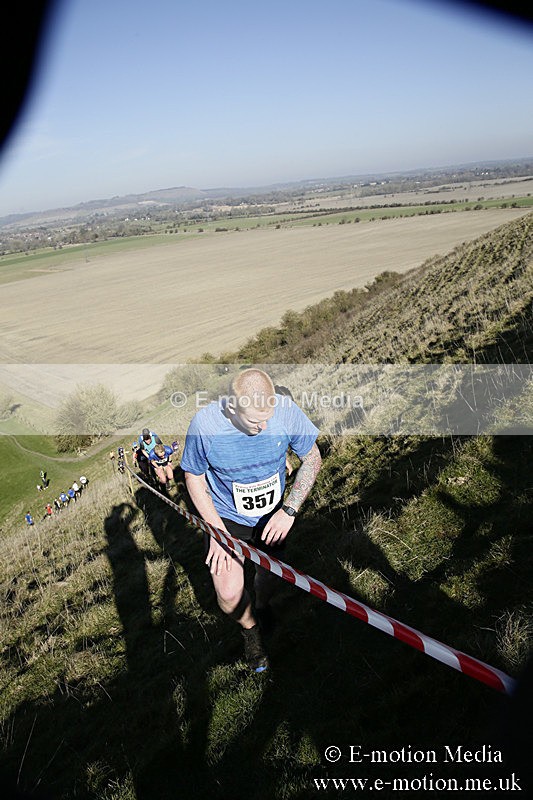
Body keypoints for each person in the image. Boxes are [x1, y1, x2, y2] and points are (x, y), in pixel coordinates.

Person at [181, 368, 321, 672]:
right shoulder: (205, 425)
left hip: (273, 517)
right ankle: (250, 632)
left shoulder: (284, 412)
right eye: (255, 421)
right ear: (232, 407)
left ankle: (260, 606)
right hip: (226, 519)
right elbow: (193, 475)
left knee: (268, 578)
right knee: (229, 594)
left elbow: (312, 457)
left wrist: (290, 510)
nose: (265, 425)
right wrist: (217, 533)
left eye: (268, 417)